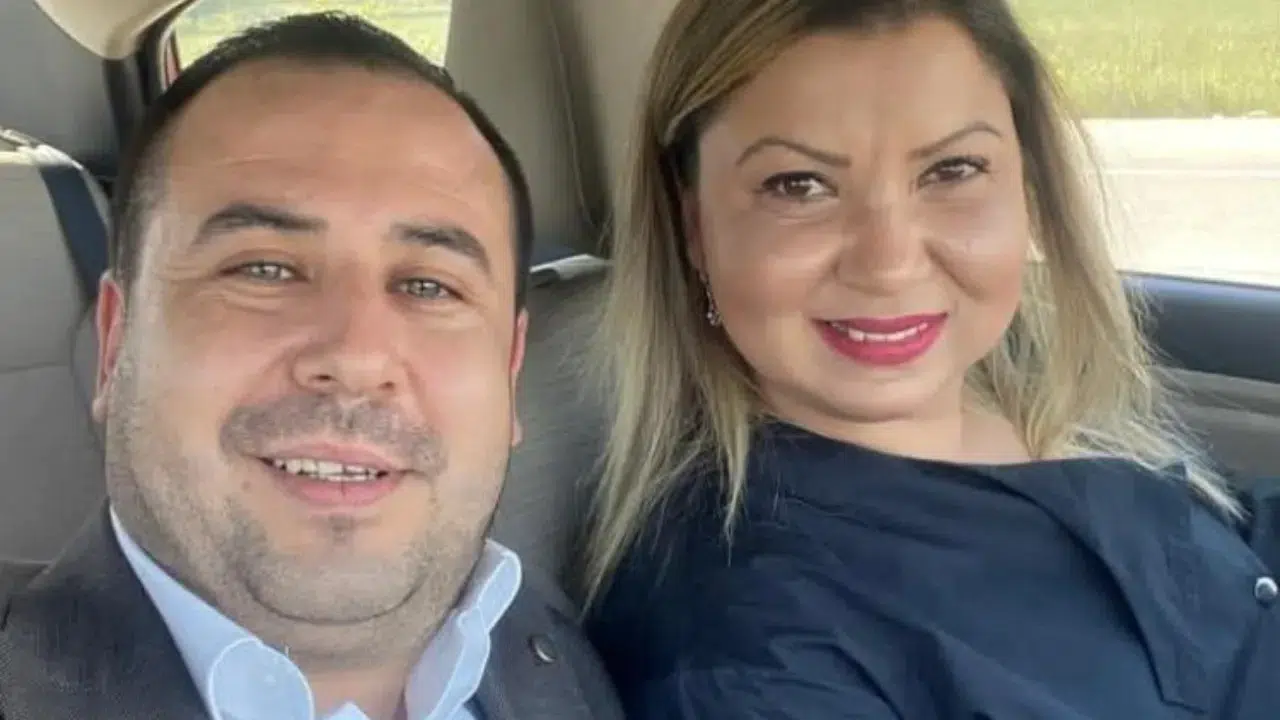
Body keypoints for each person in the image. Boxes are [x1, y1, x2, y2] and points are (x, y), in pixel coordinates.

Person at [582, 0, 1280, 717]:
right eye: (798, 185)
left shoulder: (1040, 402)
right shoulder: (749, 658)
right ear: (694, 228)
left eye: (952, 169)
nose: (889, 263)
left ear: (1027, 187)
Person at [0, 13, 621, 720]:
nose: (356, 359)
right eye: (263, 269)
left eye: (429, 286)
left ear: (509, 373)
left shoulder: (565, 655)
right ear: (117, 344)